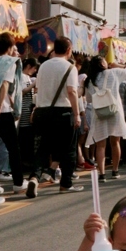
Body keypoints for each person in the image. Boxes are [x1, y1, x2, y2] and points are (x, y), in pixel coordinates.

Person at [30, 36, 82, 198]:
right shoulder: (70, 67)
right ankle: (66, 184)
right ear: (68, 50)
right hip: (63, 112)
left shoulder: (44, 66)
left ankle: (34, 177)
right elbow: (72, 91)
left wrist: (36, 108)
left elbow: (38, 89)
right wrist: (77, 113)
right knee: (68, 149)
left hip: (43, 111)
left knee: (43, 149)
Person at [86, 58, 126, 183]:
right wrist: (118, 65)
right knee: (115, 142)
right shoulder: (113, 73)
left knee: (100, 145)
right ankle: (115, 171)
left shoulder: (89, 80)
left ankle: (102, 174)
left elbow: (88, 100)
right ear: (102, 64)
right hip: (115, 111)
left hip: (98, 113)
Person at [0, 33, 27, 199]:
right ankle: (18, 183)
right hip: (2, 112)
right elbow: (4, 84)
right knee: (13, 148)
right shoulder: (10, 62)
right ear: (10, 47)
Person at [18, 57, 39, 193]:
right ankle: (24, 165)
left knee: (28, 141)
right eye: (34, 68)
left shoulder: (27, 77)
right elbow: (21, 92)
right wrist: (32, 84)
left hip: (28, 114)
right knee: (23, 140)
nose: (35, 71)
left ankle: (27, 164)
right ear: (30, 66)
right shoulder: (21, 76)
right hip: (22, 114)